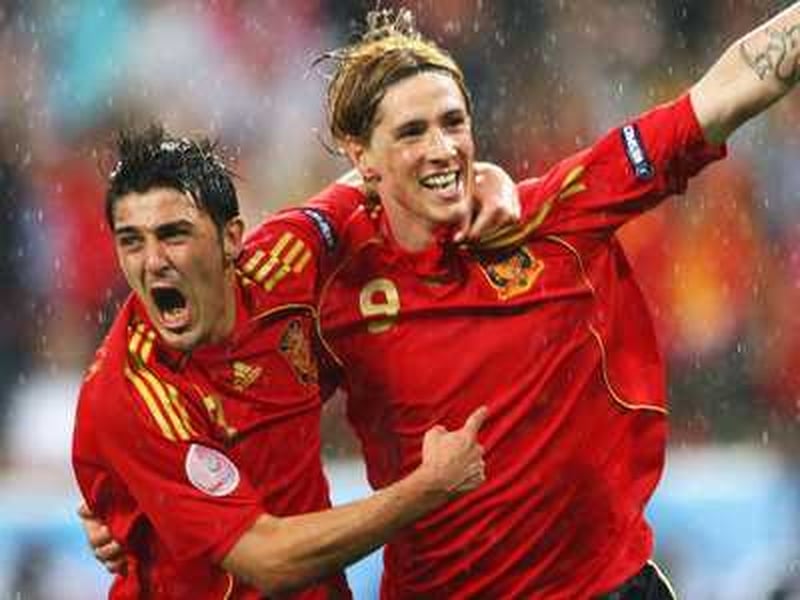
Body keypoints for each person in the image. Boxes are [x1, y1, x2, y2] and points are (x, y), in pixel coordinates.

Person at [85, 3, 800, 598]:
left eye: (454, 124)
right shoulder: (323, 282)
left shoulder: (554, 213)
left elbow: (727, 89)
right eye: (413, 131)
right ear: (362, 159)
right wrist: (128, 501)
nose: (442, 148)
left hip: (601, 587)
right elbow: (231, 378)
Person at [72, 125, 524, 599]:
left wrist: (484, 179)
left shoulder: (284, 262)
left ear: (232, 239)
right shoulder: (131, 392)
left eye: (173, 234)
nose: (152, 261)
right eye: (131, 241)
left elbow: (373, 175)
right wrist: (428, 488)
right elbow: (269, 561)